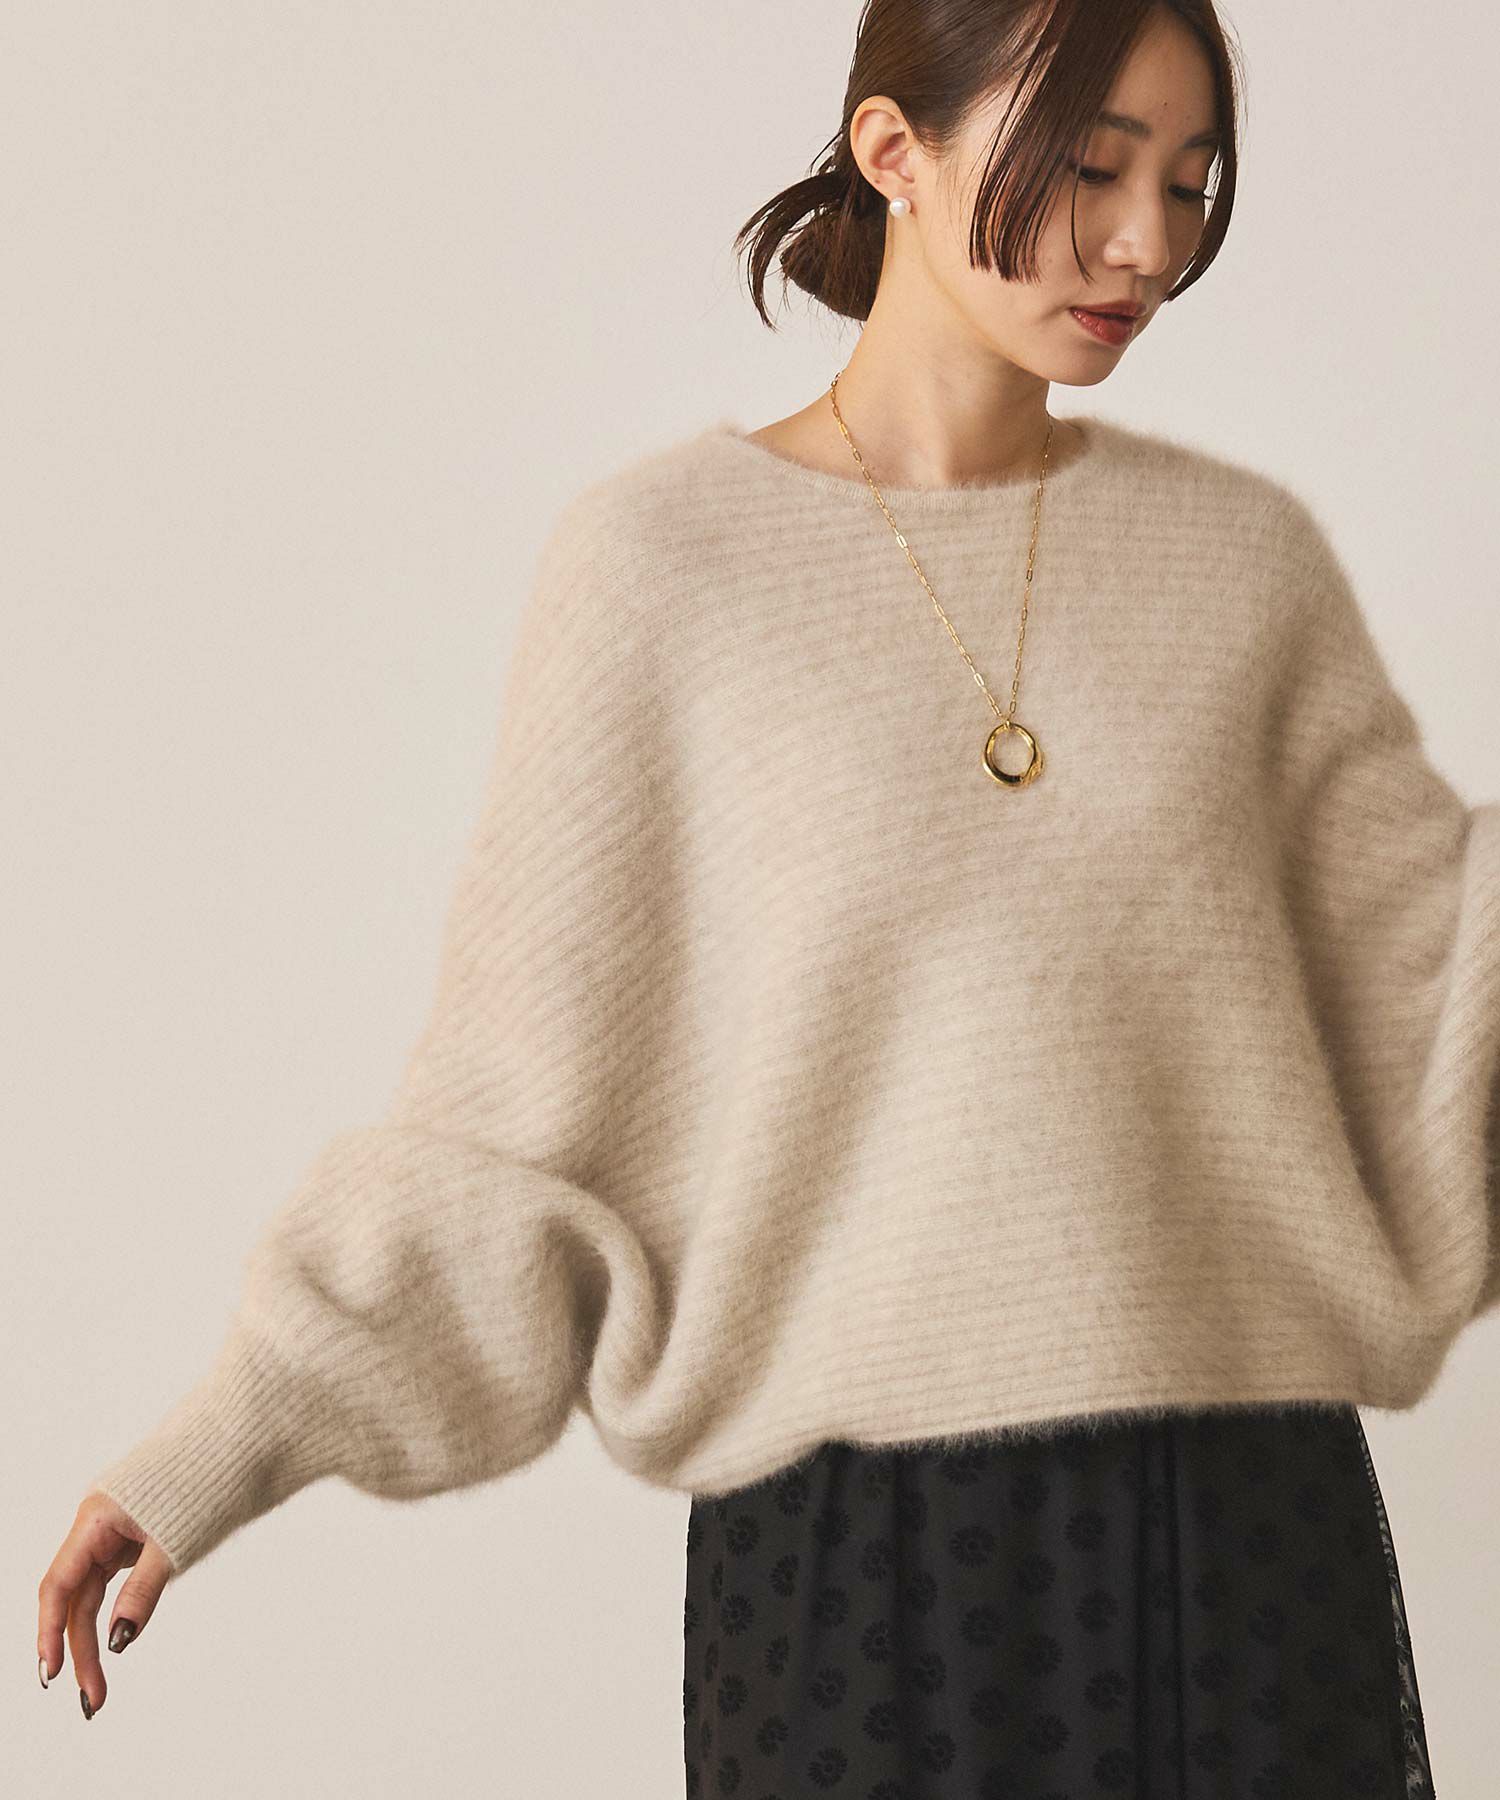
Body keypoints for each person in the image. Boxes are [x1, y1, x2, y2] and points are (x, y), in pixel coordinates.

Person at [37, 2, 1492, 1790]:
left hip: (1243, 1518)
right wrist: (225, 1442)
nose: (1147, 244)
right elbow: (509, 1124)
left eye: (1190, 185)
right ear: (893, 151)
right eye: (1092, 168)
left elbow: (1443, 1005)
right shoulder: (666, 571)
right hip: (860, 1568)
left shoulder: (1240, 567)